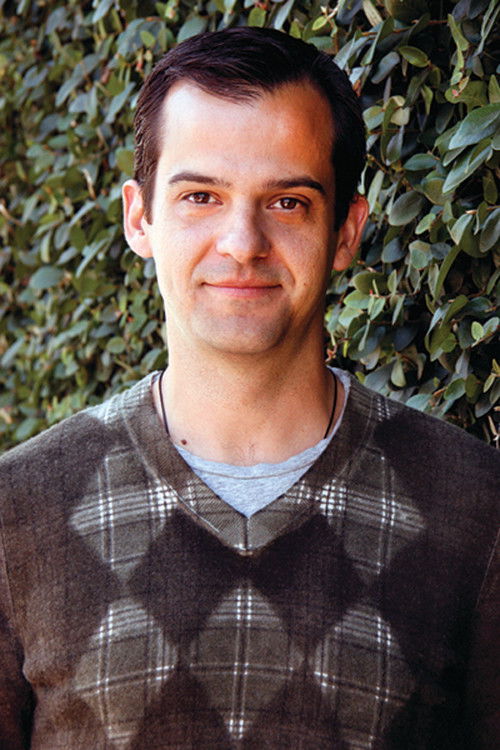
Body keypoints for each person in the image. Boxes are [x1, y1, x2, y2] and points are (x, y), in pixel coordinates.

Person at [0, 26, 498, 750]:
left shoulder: (478, 511)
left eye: (288, 202)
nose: (242, 242)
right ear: (139, 219)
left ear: (347, 231)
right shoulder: (17, 516)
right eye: (201, 195)